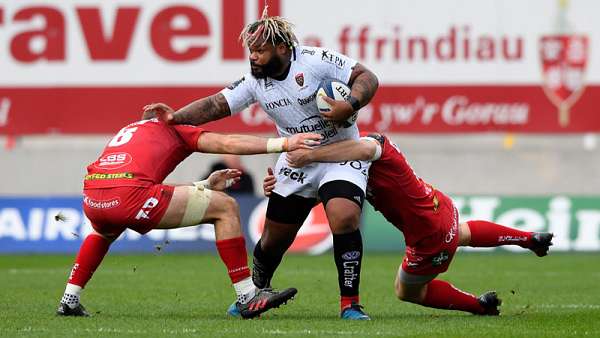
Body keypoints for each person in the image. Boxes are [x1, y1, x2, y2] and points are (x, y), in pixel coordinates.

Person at [143, 8, 379, 320]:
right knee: (272, 240)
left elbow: (367, 77)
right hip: (297, 159)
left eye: (259, 50)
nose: (253, 57)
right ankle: (256, 290)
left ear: (282, 48)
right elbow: (217, 104)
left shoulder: (315, 60)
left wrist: (349, 105)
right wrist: (175, 117)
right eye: (250, 51)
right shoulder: (255, 80)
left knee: (344, 217)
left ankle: (350, 304)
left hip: (340, 152)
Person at [56, 113, 322, 319]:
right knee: (225, 207)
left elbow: (139, 179)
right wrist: (285, 143)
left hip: (93, 193)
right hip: (130, 193)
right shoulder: (178, 130)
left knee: (104, 232)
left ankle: (69, 299)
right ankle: (247, 295)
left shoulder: (131, 129)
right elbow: (228, 143)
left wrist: (204, 185)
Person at [283, 133, 554, 316]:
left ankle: (479, 306)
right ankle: (530, 239)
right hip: (439, 208)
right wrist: (282, 187)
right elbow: (329, 194)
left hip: (428, 236)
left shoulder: (365, 145)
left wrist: (310, 155)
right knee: (462, 233)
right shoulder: (347, 161)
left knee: (407, 291)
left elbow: (367, 147)